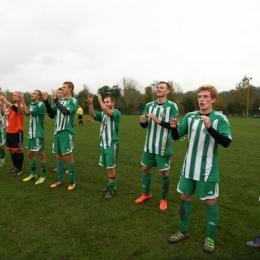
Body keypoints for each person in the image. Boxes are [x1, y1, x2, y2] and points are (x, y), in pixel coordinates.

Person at [167, 85, 232, 254]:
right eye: (199, 96)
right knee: (185, 197)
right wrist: (173, 128)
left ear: (213, 99)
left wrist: (210, 127)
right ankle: (183, 231)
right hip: (189, 168)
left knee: (210, 201)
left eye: (205, 96)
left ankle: (210, 237)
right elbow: (176, 136)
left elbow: (226, 142)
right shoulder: (190, 117)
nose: (201, 99)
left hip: (208, 170)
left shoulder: (220, 119)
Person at [135, 81, 179, 211]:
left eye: (162, 88)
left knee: (164, 173)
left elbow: (173, 126)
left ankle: (163, 199)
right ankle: (147, 194)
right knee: (145, 169)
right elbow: (144, 125)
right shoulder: (149, 105)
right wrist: (142, 122)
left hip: (163, 146)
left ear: (167, 91)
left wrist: (157, 120)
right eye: (157, 87)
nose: (158, 89)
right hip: (149, 146)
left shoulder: (172, 106)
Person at [43, 81, 78, 191]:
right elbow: (52, 114)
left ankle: (72, 182)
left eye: (64, 87)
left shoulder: (73, 101)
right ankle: (60, 180)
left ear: (70, 89)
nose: (62, 89)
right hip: (57, 132)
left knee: (68, 157)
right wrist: (46, 102)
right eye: (62, 87)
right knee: (58, 156)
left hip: (66, 132)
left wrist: (56, 100)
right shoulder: (60, 101)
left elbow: (66, 112)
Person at [88, 94, 121, 200]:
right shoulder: (103, 114)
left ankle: (111, 189)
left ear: (113, 103)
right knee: (108, 167)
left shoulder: (116, 113)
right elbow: (92, 114)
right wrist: (90, 104)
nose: (106, 104)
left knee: (111, 168)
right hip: (103, 143)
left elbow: (107, 111)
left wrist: (100, 100)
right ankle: (112, 185)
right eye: (105, 102)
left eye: (108, 102)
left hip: (112, 144)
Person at [18, 90, 47, 184]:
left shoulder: (40, 105)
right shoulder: (30, 104)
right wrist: (19, 102)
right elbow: (23, 112)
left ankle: (43, 176)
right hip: (31, 134)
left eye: (34, 93)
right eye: (32, 93)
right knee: (30, 154)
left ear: (39, 97)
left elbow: (29, 111)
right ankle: (33, 174)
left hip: (38, 134)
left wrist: (22, 99)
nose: (32, 94)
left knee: (41, 154)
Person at [0, 92, 24, 176]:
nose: (14, 96)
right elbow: (4, 114)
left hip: (17, 131)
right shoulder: (9, 107)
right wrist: (1, 105)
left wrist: (4, 100)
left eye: (16, 95)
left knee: (18, 150)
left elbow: (17, 110)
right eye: (13, 95)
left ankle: (19, 169)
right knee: (11, 150)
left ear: (20, 97)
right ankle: (15, 167)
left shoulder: (20, 106)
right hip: (9, 130)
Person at [52, 87, 68, 174]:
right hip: (57, 129)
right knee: (58, 151)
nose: (59, 94)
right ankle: (60, 167)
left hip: (65, 130)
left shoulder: (67, 103)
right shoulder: (56, 103)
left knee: (66, 151)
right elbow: (51, 113)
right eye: (58, 93)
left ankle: (68, 168)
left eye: (61, 93)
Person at [0, 101, 6, 167]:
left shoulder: (1, 106)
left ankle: (2, 161)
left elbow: (3, 114)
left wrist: (1, 105)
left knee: (1, 147)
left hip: (0, 129)